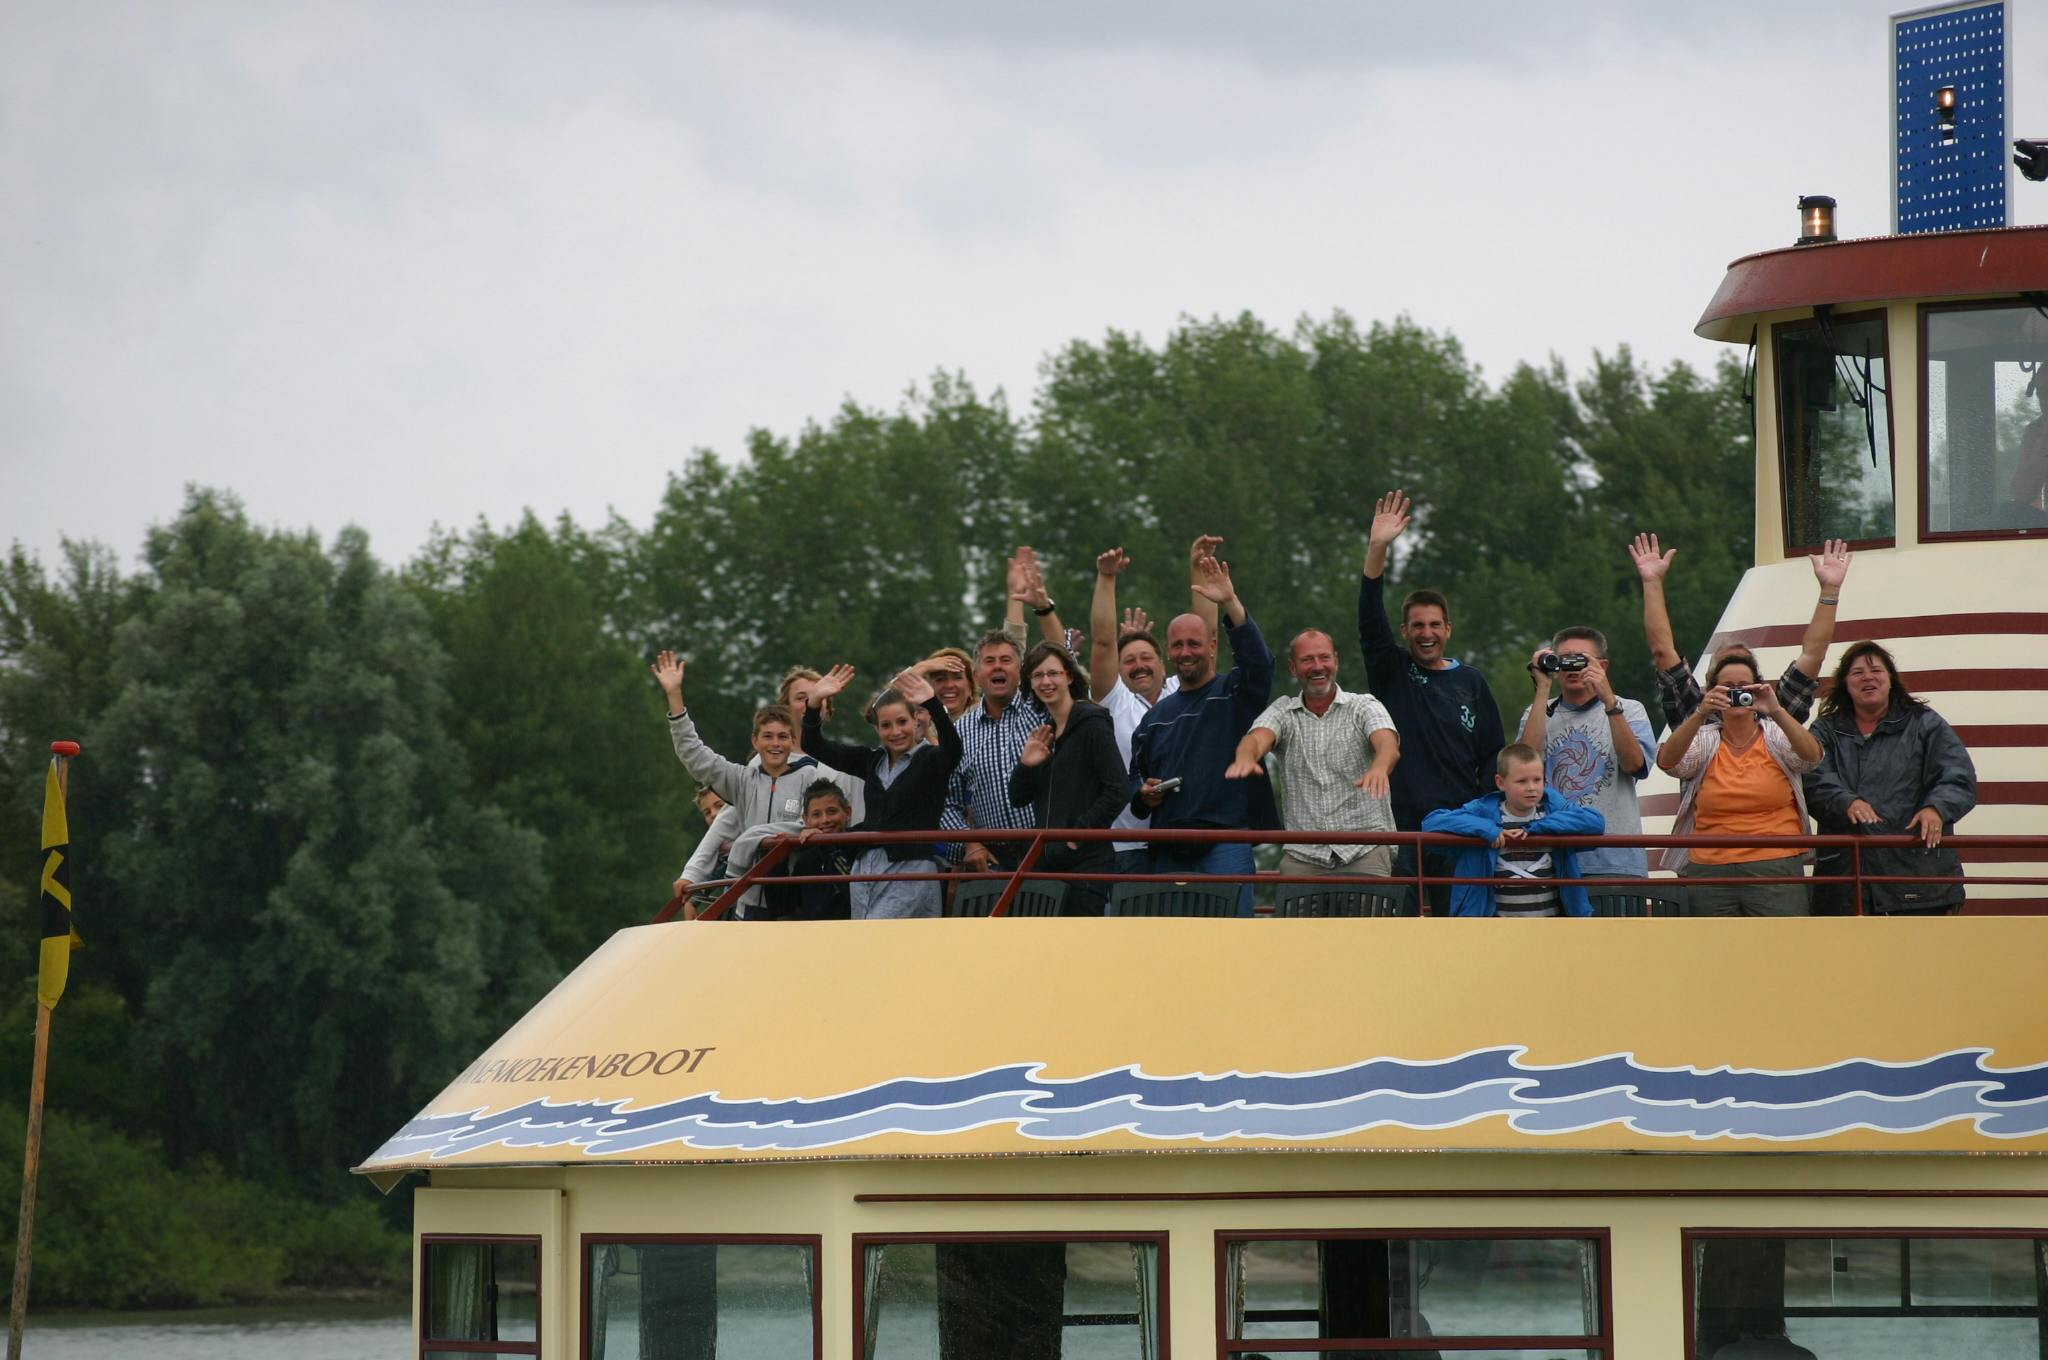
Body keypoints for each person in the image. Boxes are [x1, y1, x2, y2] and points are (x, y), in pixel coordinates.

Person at [1358, 490, 1506, 909]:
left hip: (1459, 829)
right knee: (1399, 932)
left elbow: (1493, 753)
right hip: (1400, 827)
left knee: (1456, 928)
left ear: (1448, 629)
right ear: (1405, 632)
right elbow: (1369, 621)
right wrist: (1378, 549)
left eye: (1435, 625)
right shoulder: (1393, 672)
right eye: (1417, 626)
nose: (1427, 633)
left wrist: (1482, 812)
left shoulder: (1472, 682)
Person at [653, 651, 861, 917]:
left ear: (791, 739)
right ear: (755, 742)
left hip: (795, 899)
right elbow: (695, 755)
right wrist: (674, 696)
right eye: (768, 737)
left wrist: (755, 837)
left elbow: (822, 824)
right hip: (747, 899)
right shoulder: (744, 778)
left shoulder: (815, 778)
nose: (776, 743)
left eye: (783, 737)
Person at [1128, 552, 1274, 915]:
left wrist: (1230, 603)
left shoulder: (1234, 693)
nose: (1186, 652)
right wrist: (1144, 795)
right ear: (1168, 652)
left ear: (1212, 646)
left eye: (1194, 643)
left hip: (1226, 843)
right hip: (1168, 849)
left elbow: (1259, 663)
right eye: (1177, 645)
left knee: (1234, 944)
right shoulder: (1155, 717)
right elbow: (1134, 782)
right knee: (1175, 948)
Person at [1804, 641, 1978, 915]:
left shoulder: (1925, 723)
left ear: (1891, 679)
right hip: (1845, 883)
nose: (1868, 677)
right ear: (1845, 683)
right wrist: (1845, 801)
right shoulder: (1825, 729)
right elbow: (1813, 777)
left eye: (1876, 670)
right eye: (1857, 672)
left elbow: (1958, 776)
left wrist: (1937, 809)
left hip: (1919, 880)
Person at [1226, 628, 1401, 880]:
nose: (1317, 666)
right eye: (1307, 660)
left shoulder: (1363, 705)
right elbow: (1254, 739)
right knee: (1297, 918)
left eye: (1324, 658)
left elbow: (1388, 745)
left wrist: (1379, 768)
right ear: (1293, 668)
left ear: (1336, 661)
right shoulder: (1283, 711)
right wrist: (1245, 757)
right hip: (1304, 857)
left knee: (1369, 921)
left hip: (1365, 850)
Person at [1656, 653, 1824, 916]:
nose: (1736, 694)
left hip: (1775, 863)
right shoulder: (1704, 738)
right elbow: (1670, 764)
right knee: (1718, 953)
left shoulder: (1775, 733)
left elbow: (1811, 758)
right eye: (1727, 688)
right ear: (1712, 691)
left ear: (1757, 689)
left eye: (1744, 687)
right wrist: (1701, 713)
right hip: (1710, 867)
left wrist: (1776, 710)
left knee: (1779, 949)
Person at [1630, 533, 1851, 731]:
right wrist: (1652, 582)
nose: (1735, 688)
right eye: (1726, 681)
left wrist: (1830, 591)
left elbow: (1813, 655)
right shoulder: (1693, 717)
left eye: (1743, 682)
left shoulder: (1777, 717)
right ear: (1709, 683)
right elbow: (1662, 651)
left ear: (1758, 681)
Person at [801, 664, 962, 919]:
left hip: (911, 872)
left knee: (881, 940)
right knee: (867, 948)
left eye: (902, 722)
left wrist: (933, 704)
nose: (895, 732)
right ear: (877, 729)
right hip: (866, 871)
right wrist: (813, 704)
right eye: (886, 725)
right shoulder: (872, 760)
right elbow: (814, 745)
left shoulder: (931, 760)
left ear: (915, 720)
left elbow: (953, 751)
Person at [1516, 627, 1657, 882]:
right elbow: (1524, 768)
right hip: (1551, 858)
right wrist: (1542, 690)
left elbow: (1635, 765)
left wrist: (1609, 701)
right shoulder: (1536, 712)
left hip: (1616, 860)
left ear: (1602, 666)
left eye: (1581, 660)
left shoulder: (1630, 709)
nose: (1572, 667)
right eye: (1564, 659)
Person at [1007, 644, 1129, 915]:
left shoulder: (1093, 724)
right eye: (1037, 675)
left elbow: (1118, 788)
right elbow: (1018, 798)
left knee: (1082, 949)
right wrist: (1026, 765)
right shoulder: (1046, 733)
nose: (1046, 682)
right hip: (1046, 864)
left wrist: (1078, 835)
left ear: (1069, 677)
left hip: (1086, 864)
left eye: (1053, 673)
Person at [1087, 545, 1185, 877]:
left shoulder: (1182, 690)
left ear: (1164, 661)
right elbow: (1102, 644)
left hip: (1187, 841)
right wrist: (1106, 578)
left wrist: (1200, 572)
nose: (1139, 665)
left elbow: (1207, 637)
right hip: (1130, 845)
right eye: (1128, 660)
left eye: (1146, 657)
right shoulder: (1114, 700)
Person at [1422, 744, 1604, 917]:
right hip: (1496, 927)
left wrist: (1541, 828)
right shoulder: (1483, 811)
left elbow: (1595, 822)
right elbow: (1431, 823)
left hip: (1552, 924)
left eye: (1537, 780)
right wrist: (1487, 830)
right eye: (1521, 781)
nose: (1531, 788)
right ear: (1500, 782)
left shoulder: (1554, 807)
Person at [942, 630, 1048, 875]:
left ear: (1021, 671)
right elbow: (946, 802)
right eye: (989, 661)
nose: (997, 667)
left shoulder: (1044, 712)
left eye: (1006, 660)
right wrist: (969, 844)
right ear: (977, 675)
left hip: (1048, 849)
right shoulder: (959, 732)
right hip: (993, 859)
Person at [726, 780, 857, 922]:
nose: (825, 820)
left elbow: (855, 896)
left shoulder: (859, 848)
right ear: (806, 820)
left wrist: (826, 846)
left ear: (848, 812)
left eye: (832, 811)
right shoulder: (807, 858)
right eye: (816, 815)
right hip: (814, 937)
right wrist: (780, 856)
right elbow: (781, 907)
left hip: (855, 932)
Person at [673, 787, 736, 916]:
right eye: (707, 812)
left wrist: (693, 900)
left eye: (720, 806)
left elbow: (725, 867)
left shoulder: (745, 841)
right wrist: (692, 901)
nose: (713, 814)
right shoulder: (719, 851)